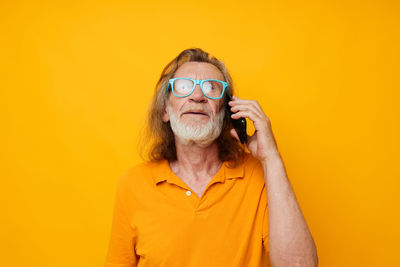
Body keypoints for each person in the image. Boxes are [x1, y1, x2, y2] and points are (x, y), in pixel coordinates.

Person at [104, 48, 318, 267]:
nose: (197, 96)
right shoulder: (134, 184)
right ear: (165, 111)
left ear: (226, 112)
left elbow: (300, 265)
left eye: (211, 88)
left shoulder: (258, 175)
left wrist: (271, 158)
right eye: (184, 87)